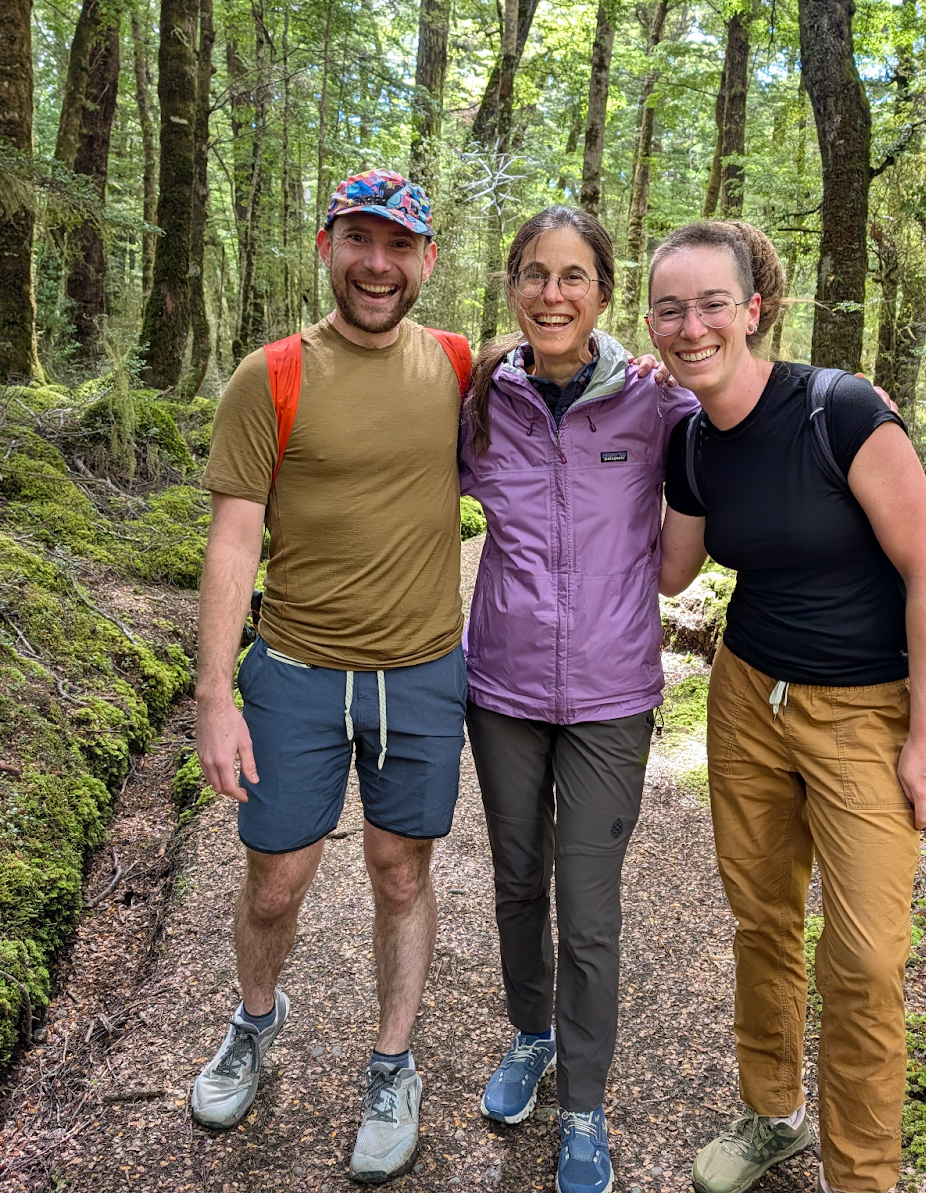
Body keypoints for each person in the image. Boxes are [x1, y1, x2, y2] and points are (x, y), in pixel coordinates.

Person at [649, 223, 926, 1193]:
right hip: (747, 696)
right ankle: (773, 1115)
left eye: (709, 303)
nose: (689, 324)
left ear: (752, 307)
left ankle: (861, 1174)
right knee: (763, 920)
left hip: (866, 708)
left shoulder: (843, 411)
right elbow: (671, 566)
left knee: (865, 958)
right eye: (668, 308)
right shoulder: (692, 440)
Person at [189, 169, 473, 1184]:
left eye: (399, 246)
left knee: (402, 872)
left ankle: (392, 1064)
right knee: (275, 882)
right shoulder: (268, 374)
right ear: (326, 245)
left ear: (426, 261)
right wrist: (215, 694)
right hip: (297, 670)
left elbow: (581, 393)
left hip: (422, 673)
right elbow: (232, 538)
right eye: (360, 239)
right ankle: (254, 1022)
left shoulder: (456, 365)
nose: (378, 264)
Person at [459, 205, 699, 1193]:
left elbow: (752, 411)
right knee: (518, 879)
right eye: (532, 274)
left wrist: (848, 398)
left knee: (587, 908)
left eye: (572, 276)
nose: (550, 293)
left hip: (610, 693)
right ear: (513, 288)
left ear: (604, 293)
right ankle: (532, 1032)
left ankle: (586, 1106)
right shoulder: (478, 401)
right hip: (502, 686)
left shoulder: (654, 402)